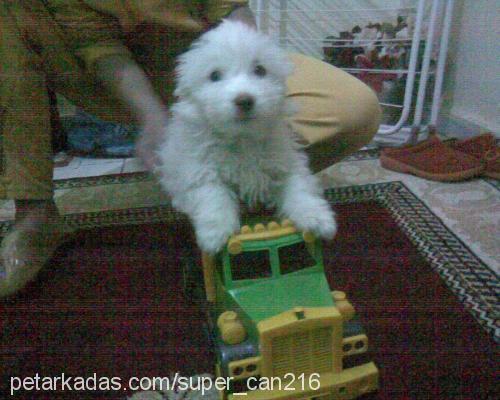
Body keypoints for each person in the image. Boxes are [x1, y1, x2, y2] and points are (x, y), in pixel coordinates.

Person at [0, 0, 381, 297]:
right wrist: (153, 117)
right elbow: (96, 45)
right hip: (109, 77)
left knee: (356, 108)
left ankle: (248, 190)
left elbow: (232, 12)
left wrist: (244, 72)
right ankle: (34, 213)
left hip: (208, 60)